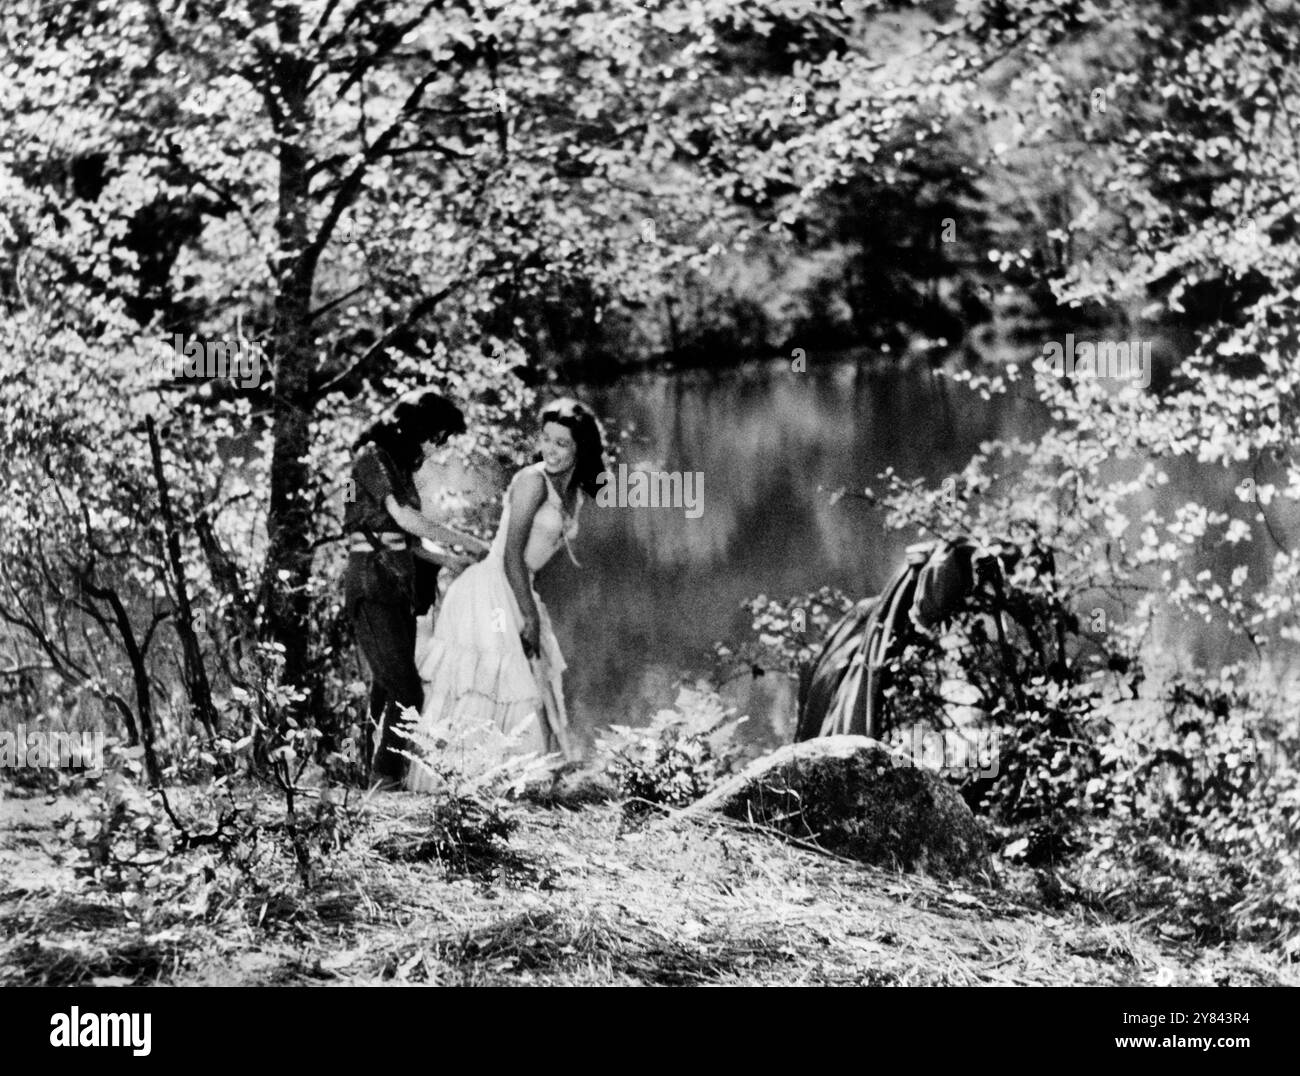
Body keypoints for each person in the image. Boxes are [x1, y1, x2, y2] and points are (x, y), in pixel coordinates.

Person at [405, 398, 606, 789]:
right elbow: (512, 554)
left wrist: (531, 608)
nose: (550, 450)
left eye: (562, 443)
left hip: (516, 586)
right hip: (488, 591)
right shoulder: (532, 481)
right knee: (490, 687)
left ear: (582, 447)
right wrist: (528, 615)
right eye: (546, 440)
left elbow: (532, 559)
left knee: (525, 687)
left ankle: (515, 785)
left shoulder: (573, 493)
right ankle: (466, 786)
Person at [342, 389, 489, 788]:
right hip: (371, 581)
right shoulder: (371, 458)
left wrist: (452, 559)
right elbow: (403, 519)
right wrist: (468, 541)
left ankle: (366, 775)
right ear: (416, 428)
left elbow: (409, 542)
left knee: (388, 687)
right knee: (407, 691)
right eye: (436, 437)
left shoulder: (397, 467)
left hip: (395, 583)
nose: (436, 447)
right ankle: (384, 779)